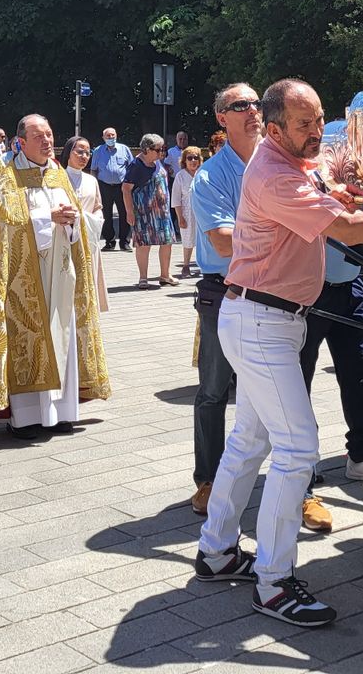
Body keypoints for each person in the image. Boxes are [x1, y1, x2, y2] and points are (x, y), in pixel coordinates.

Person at [194, 79, 363, 628]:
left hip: (264, 318)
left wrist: (335, 194)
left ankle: (217, 550)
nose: (317, 131)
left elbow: (323, 204)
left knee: (250, 440)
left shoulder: (285, 162)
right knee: (297, 449)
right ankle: (272, 584)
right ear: (274, 130)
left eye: (319, 119)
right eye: (304, 124)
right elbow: (342, 228)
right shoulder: (273, 172)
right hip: (262, 322)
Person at [0, 115, 110, 438]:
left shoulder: (59, 175)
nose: (48, 142)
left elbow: (78, 221)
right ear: (21, 143)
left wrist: (71, 222)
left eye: (50, 135)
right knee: (28, 341)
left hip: (60, 276)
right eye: (39, 137)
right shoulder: (9, 180)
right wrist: (46, 218)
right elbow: (3, 228)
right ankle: (24, 418)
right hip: (23, 281)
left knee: (61, 337)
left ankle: (63, 412)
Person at [187, 84, 261, 517]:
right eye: (240, 105)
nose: (252, 110)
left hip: (279, 293)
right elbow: (220, 240)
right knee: (214, 392)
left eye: (256, 103)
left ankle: (302, 482)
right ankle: (208, 480)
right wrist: (283, 230)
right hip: (225, 292)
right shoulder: (212, 175)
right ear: (222, 118)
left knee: (287, 390)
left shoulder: (281, 164)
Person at [302, 241, 363, 485]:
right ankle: (304, 461)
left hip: (352, 283)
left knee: (358, 371)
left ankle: (361, 454)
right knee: (301, 378)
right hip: (309, 286)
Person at [61, 135, 108, 313]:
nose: (84, 156)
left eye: (88, 153)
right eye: (79, 151)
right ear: (68, 152)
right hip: (65, 236)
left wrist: (93, 219)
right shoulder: (58, 178)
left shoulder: (91, 180)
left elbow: (98, 206)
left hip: (88, 237)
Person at [123, 133, 176, 288]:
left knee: (167, 242)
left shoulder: (158, 163)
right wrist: (129, 211)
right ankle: (143, 277)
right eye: (158, 149)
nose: (161, 153)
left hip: (162, 212)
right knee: (143, 244)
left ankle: (165, 275)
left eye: (163, 149)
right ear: (146, 149)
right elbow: (126, 189)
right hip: (144, 213)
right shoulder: (136, 165)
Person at [91, 128, 134, 252]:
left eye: (112, 135)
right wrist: (94, 186)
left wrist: (130, 185)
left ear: (116, 136)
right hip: (104, 186)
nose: (111, 138)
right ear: (103, 138)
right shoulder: (98, 151)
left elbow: (131, 167)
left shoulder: (124, 149)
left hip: (122, 187)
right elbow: (94, 169)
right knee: (106, 214)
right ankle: (109, 242)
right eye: (108, 136)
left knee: (125, 213)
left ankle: (125, 242)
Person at [172, 146, 202, 278]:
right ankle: (186, 266)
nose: (193, 161)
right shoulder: (180, 176)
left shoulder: (203, 173)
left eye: (196, 158)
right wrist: (180, 218)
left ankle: (203, 266)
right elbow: (176, 199)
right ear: (185, 160)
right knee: (188, 239)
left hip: (202, 212)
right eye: (190, 158)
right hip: (187, 212)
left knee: (204, 240)